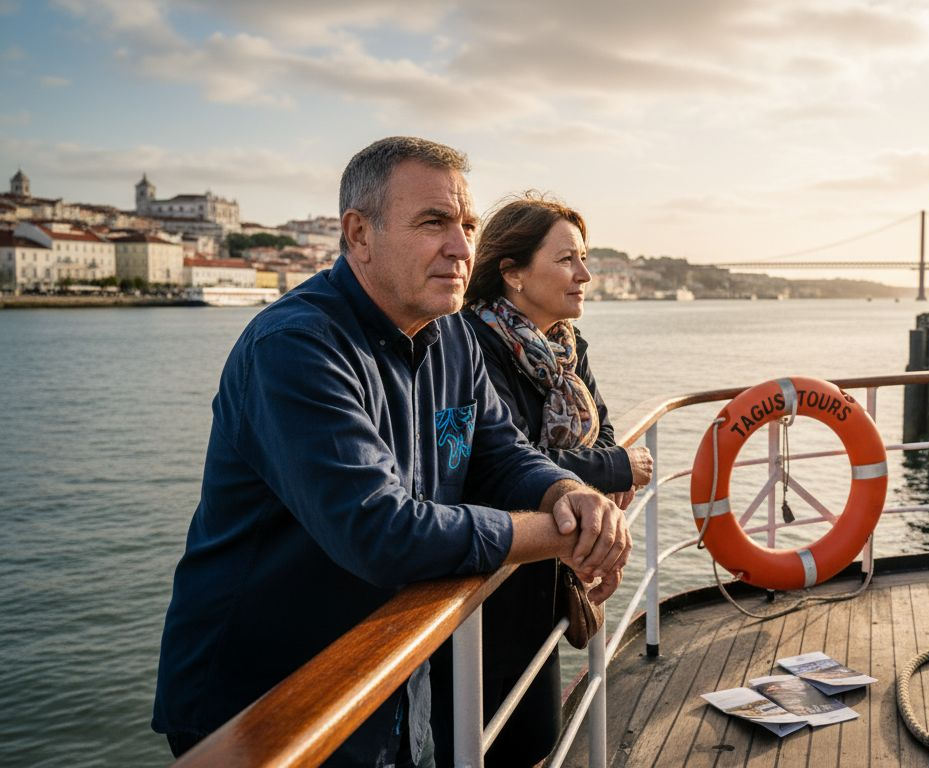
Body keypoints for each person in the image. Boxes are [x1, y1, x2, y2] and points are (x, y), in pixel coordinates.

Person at [152, 137, 632, 767]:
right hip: (260, 700)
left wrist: (568, 492)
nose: (461, 248)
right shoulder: (296, 348)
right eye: (433, 222)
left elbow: (502, 453)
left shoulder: (452, 333)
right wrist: (562, 535)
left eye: (467, 225)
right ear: (359, 235)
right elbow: (380, 531)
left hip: (388, 676)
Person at [452, 194, 654, 766]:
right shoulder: (474, 346)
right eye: (567, 260)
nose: (585, 274)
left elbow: (603, 431)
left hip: (549, 566)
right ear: (513, 273)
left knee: (537, 735)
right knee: (484, 739)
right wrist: (616, 469)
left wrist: (603, 480)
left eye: (583, 258)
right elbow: (504, 458)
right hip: (492, 583)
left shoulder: (566, 345)